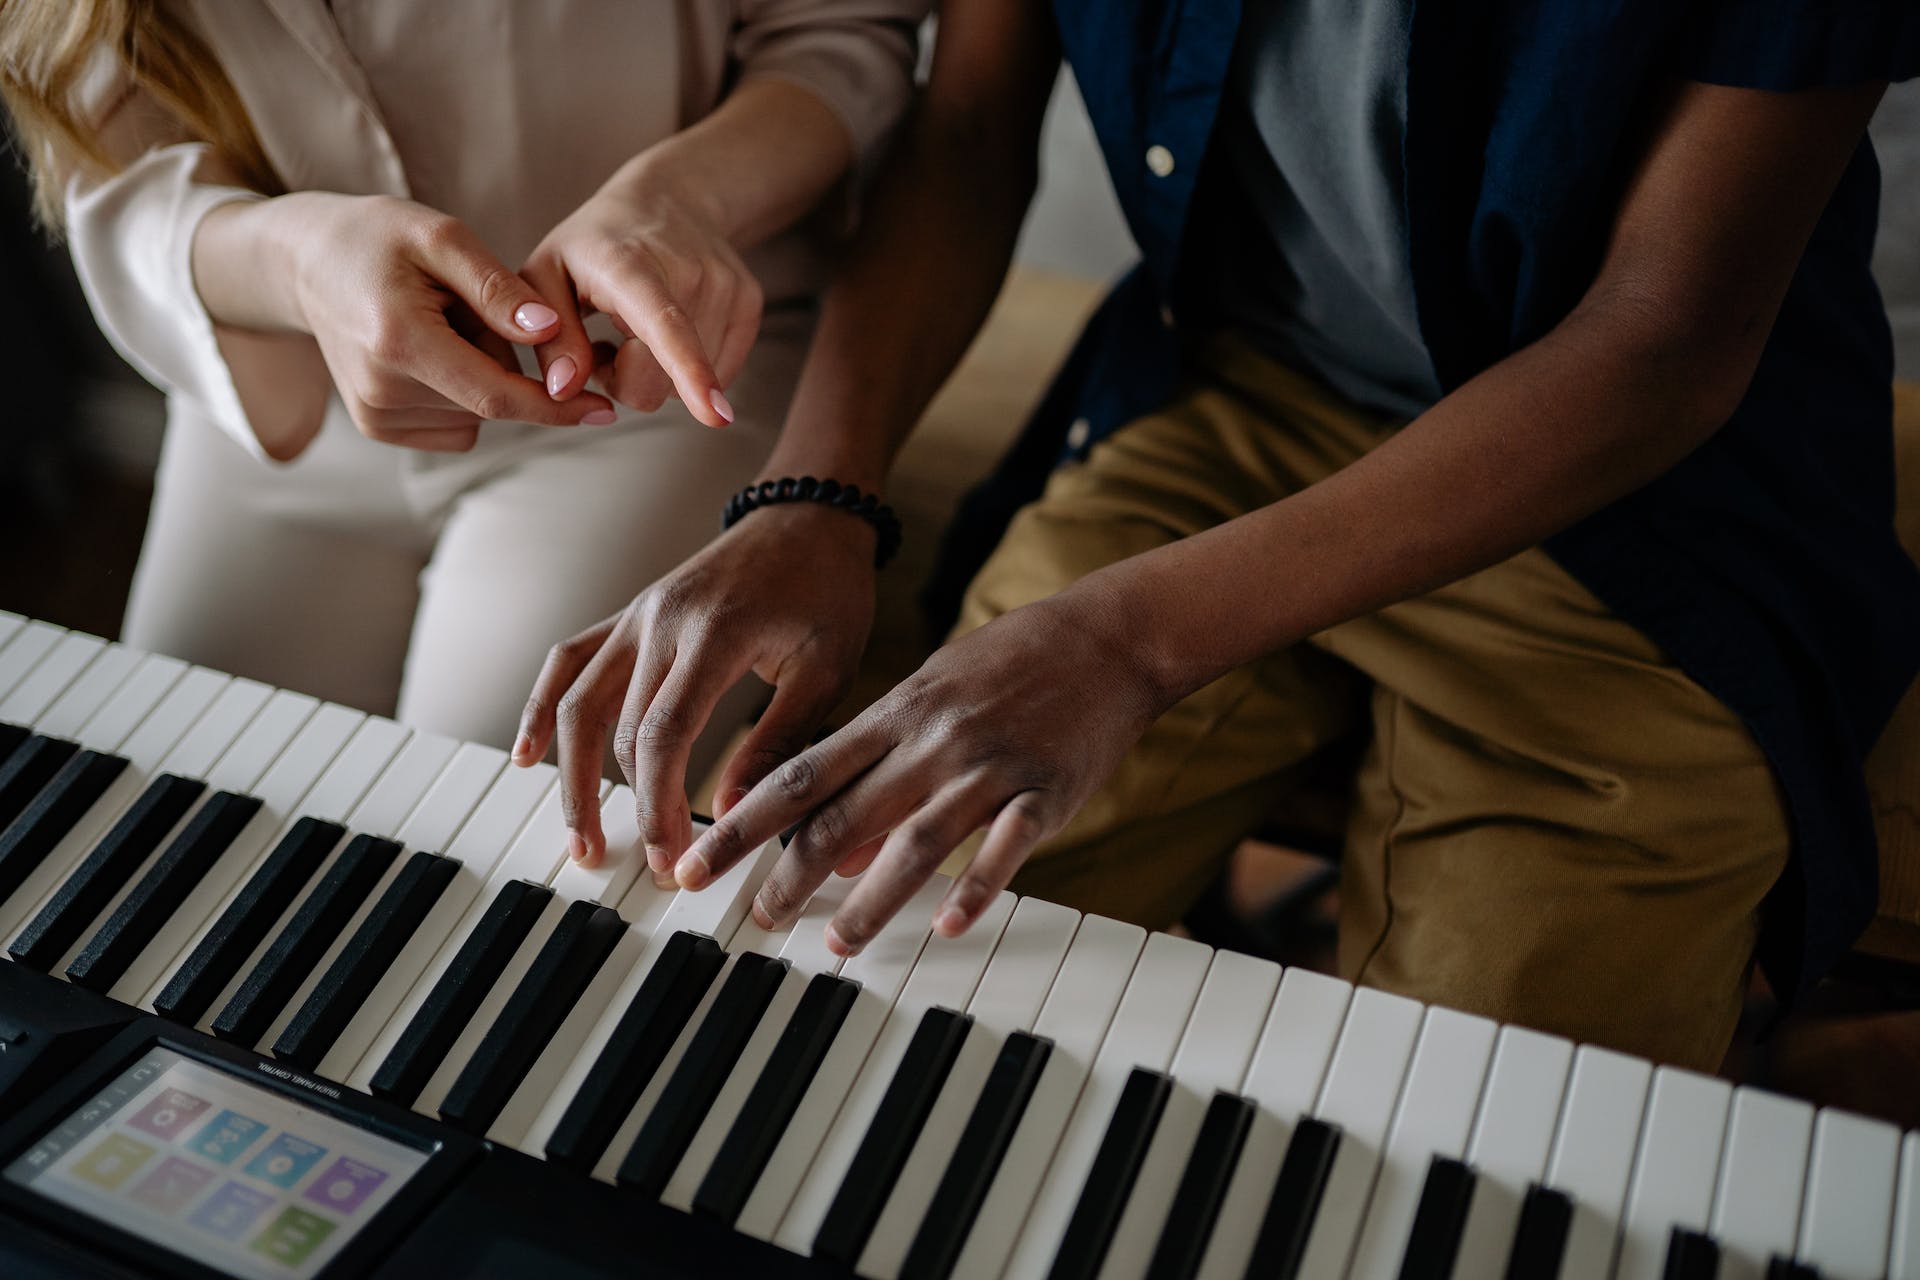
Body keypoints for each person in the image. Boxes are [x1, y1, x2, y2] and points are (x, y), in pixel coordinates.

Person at [520, 0, 1920, 1070]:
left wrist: (1121, 638)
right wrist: (815, 492)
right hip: (1242, 393)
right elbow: (966, 131)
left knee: (1493, 1090)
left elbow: (1661, 342)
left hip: (1636, 497)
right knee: (877, 958)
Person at [0, 0, 926, 758]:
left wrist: (678, 199)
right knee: (177, 787)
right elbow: (112, 154)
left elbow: (838, 33)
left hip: (642, 382)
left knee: (498, 810)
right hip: (275, 382)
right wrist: (294, 263)